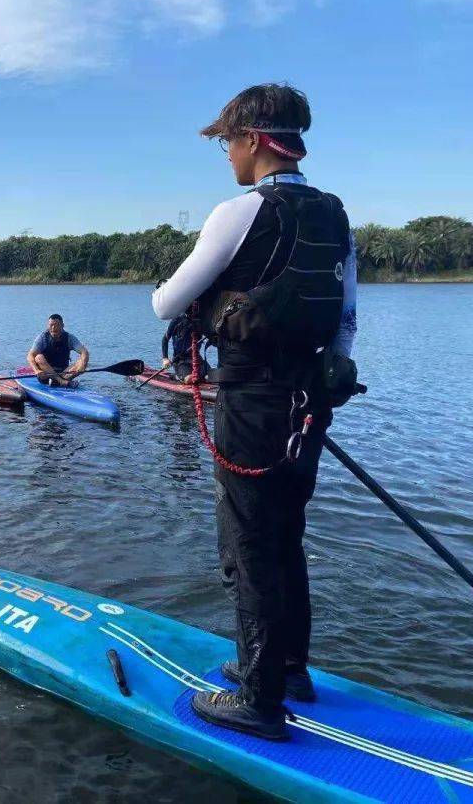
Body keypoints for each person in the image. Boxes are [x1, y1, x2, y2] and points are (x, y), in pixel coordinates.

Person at [151, 83, 358, 741]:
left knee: (249, 546)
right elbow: (346, 318)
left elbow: (165, 303)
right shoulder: (334, 212)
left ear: (255, 141)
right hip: (310, 402)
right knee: (285, 534)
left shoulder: (238, 212)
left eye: (228, 143)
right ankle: (291, 670)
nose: (227, 156)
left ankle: (260, 701)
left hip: (253, 401)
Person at [27, 314, 89, 386]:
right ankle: (61, 382)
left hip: (64, 374)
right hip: (46, 375)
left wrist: (83, 365)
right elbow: (30, 355)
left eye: (56, 325)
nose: (53, 328)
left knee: (81, 360)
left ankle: (57, 382)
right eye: (51, 325)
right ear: (48, 325)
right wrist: (36, 370)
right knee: (38, 357)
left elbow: (84, 352)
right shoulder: (42, 338)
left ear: (62, 325)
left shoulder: (69, 338)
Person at [160, 313, 208, 383]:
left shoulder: (201, 321)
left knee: (212, 376)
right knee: (189, 379)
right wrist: (165, 358)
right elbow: (165, 339)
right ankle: (176, 376)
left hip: (197, 358)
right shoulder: (177, 320)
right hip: (180, 360)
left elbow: (211, 337)